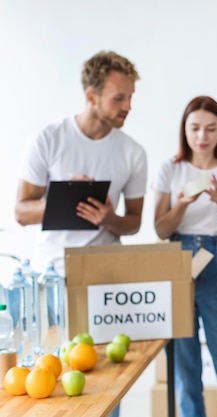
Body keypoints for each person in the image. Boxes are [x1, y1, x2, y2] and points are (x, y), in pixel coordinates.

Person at [15, 51, 145, 417]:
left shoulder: (132, 152)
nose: (128, 106)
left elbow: (133, 221)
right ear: (91, 96)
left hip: (104, 278)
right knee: (47, 382)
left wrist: (108, 218)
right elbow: (20, 211)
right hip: (50, 279)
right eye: (119, 98)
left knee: (105, 381)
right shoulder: (49, 139)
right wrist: (61, 194)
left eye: (131, 97)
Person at [152, 96, 217, 417]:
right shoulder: (171, 168)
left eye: (210, 128)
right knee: (184, 362)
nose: (202, 136)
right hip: (178, 258)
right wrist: (182, 202)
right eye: (195, 128)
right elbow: (161, 229)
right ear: (184, 129)